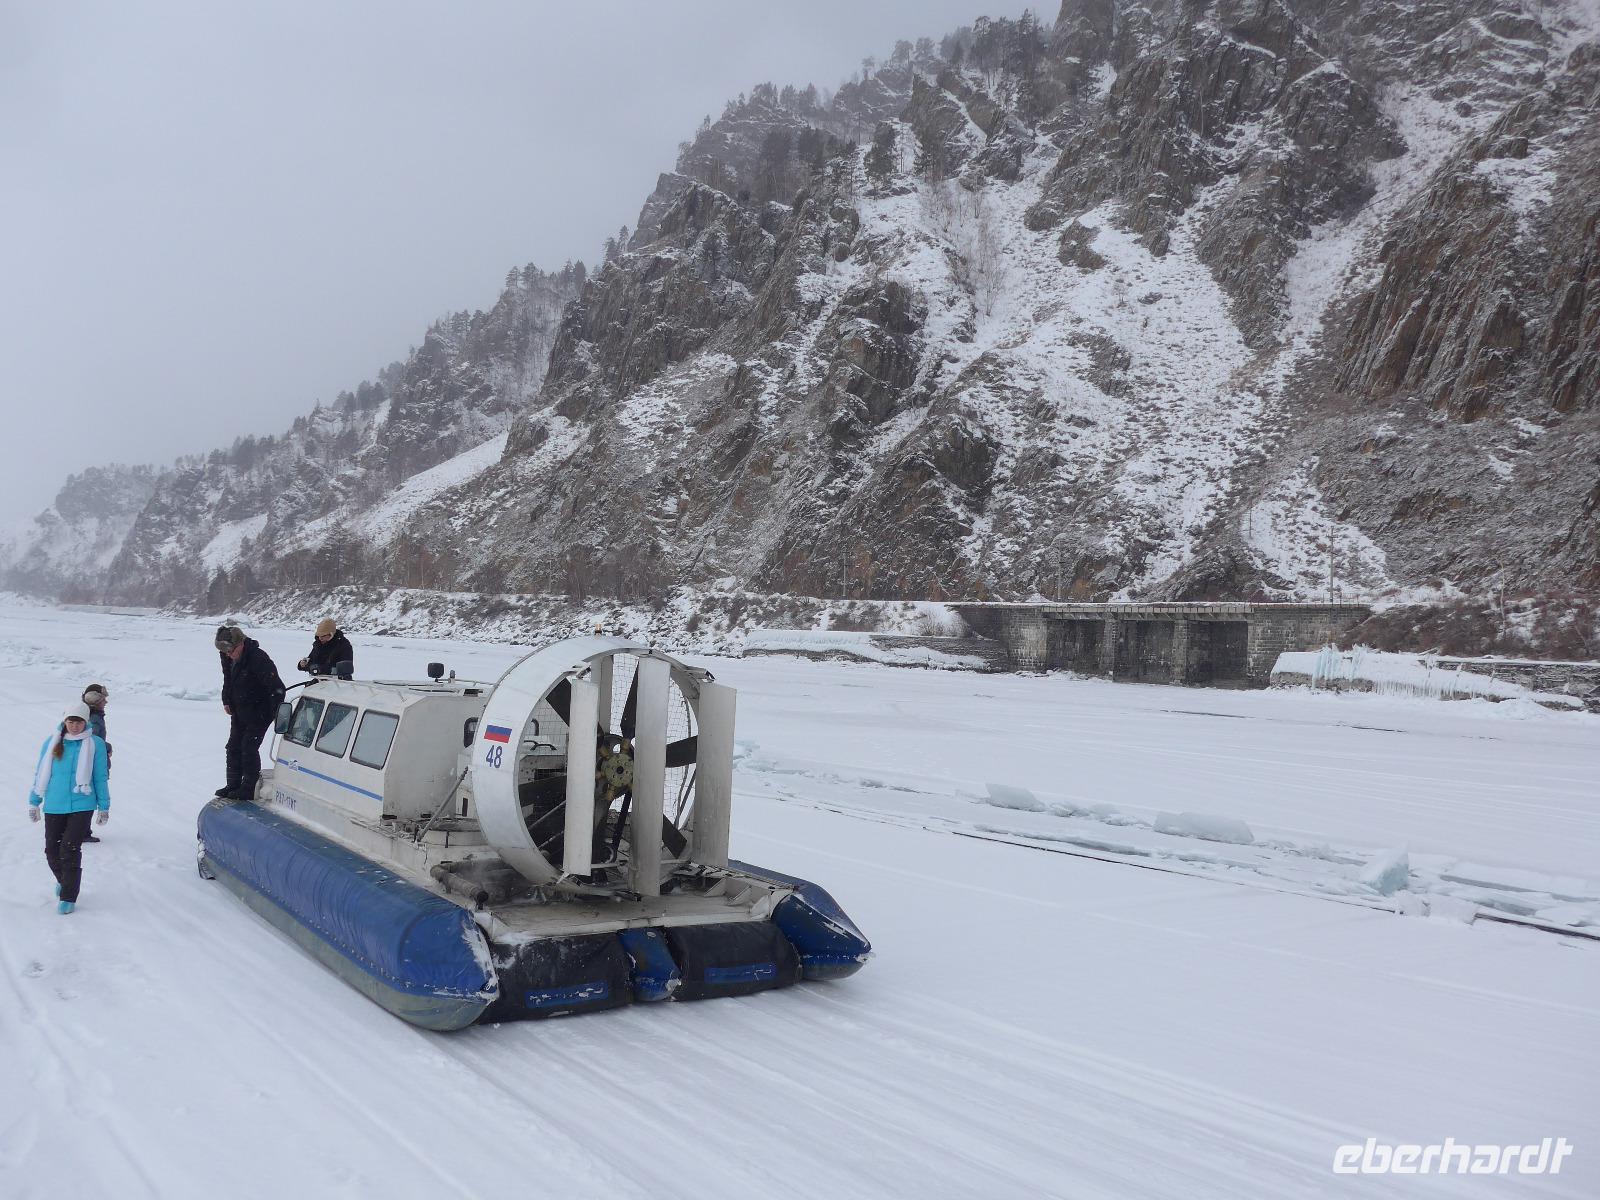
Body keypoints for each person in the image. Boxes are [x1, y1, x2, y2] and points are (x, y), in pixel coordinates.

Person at [27, 702, 111, 914]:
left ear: (86, 722)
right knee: (52, 850)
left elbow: (100, 777)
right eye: (71, 721)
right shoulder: (52, 742)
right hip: (54, 804)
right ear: (65, 721)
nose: (74, 726)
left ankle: (68, 896)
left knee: (70, 848)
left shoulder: (95, 744)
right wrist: (34, 802)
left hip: (83, 803)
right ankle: (65, 881)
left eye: (79, 722)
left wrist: (104, 806)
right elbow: (41, 773)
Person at [215, 623, 285, 801]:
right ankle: (233, 785)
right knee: (233, 747)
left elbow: (277, 688)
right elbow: (228, 679)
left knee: (248, 747)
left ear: (241, 644)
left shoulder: (258, 658)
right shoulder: (228, 656)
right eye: (225, 652)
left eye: (231, 651)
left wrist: (276, 714)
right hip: (240, 709)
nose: (227, 655)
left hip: (260, 711)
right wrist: (227, 699)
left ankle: (248, 788)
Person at [80, 684, 112, 842]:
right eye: (103, 698)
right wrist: (107, 747)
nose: (106, 701)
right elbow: (90, 740)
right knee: (89, 795)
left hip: (93, 762)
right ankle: (82, 831)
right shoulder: (93, 719)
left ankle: (82, 830)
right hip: (92, 764)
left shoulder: (92, 715)